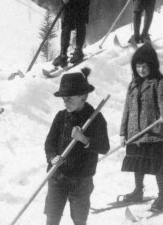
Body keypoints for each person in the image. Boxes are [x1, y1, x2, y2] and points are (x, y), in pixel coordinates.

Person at [44, 68, 110, 225]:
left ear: (83, 96)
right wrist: (52, 158)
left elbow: (104, 147)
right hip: (57, 176)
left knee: (79, 220)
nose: (65, 102)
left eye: (69, 98)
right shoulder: (61, 117)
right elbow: (49, 142)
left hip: (82, 179)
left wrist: (84, 139)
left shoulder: (95, 118)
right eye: (63, 99)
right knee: (52, 217)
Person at [118, 44, 163, 211]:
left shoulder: (161, 82)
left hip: (155, 133)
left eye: (145, 66)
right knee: (137, 164)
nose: (141, 69)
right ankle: (138, 191)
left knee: (158, 165)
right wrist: (122, 133)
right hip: (135, 133)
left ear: (152, 65)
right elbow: (126, 109)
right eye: (138, 66)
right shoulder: (133, 84)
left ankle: (162, 196)